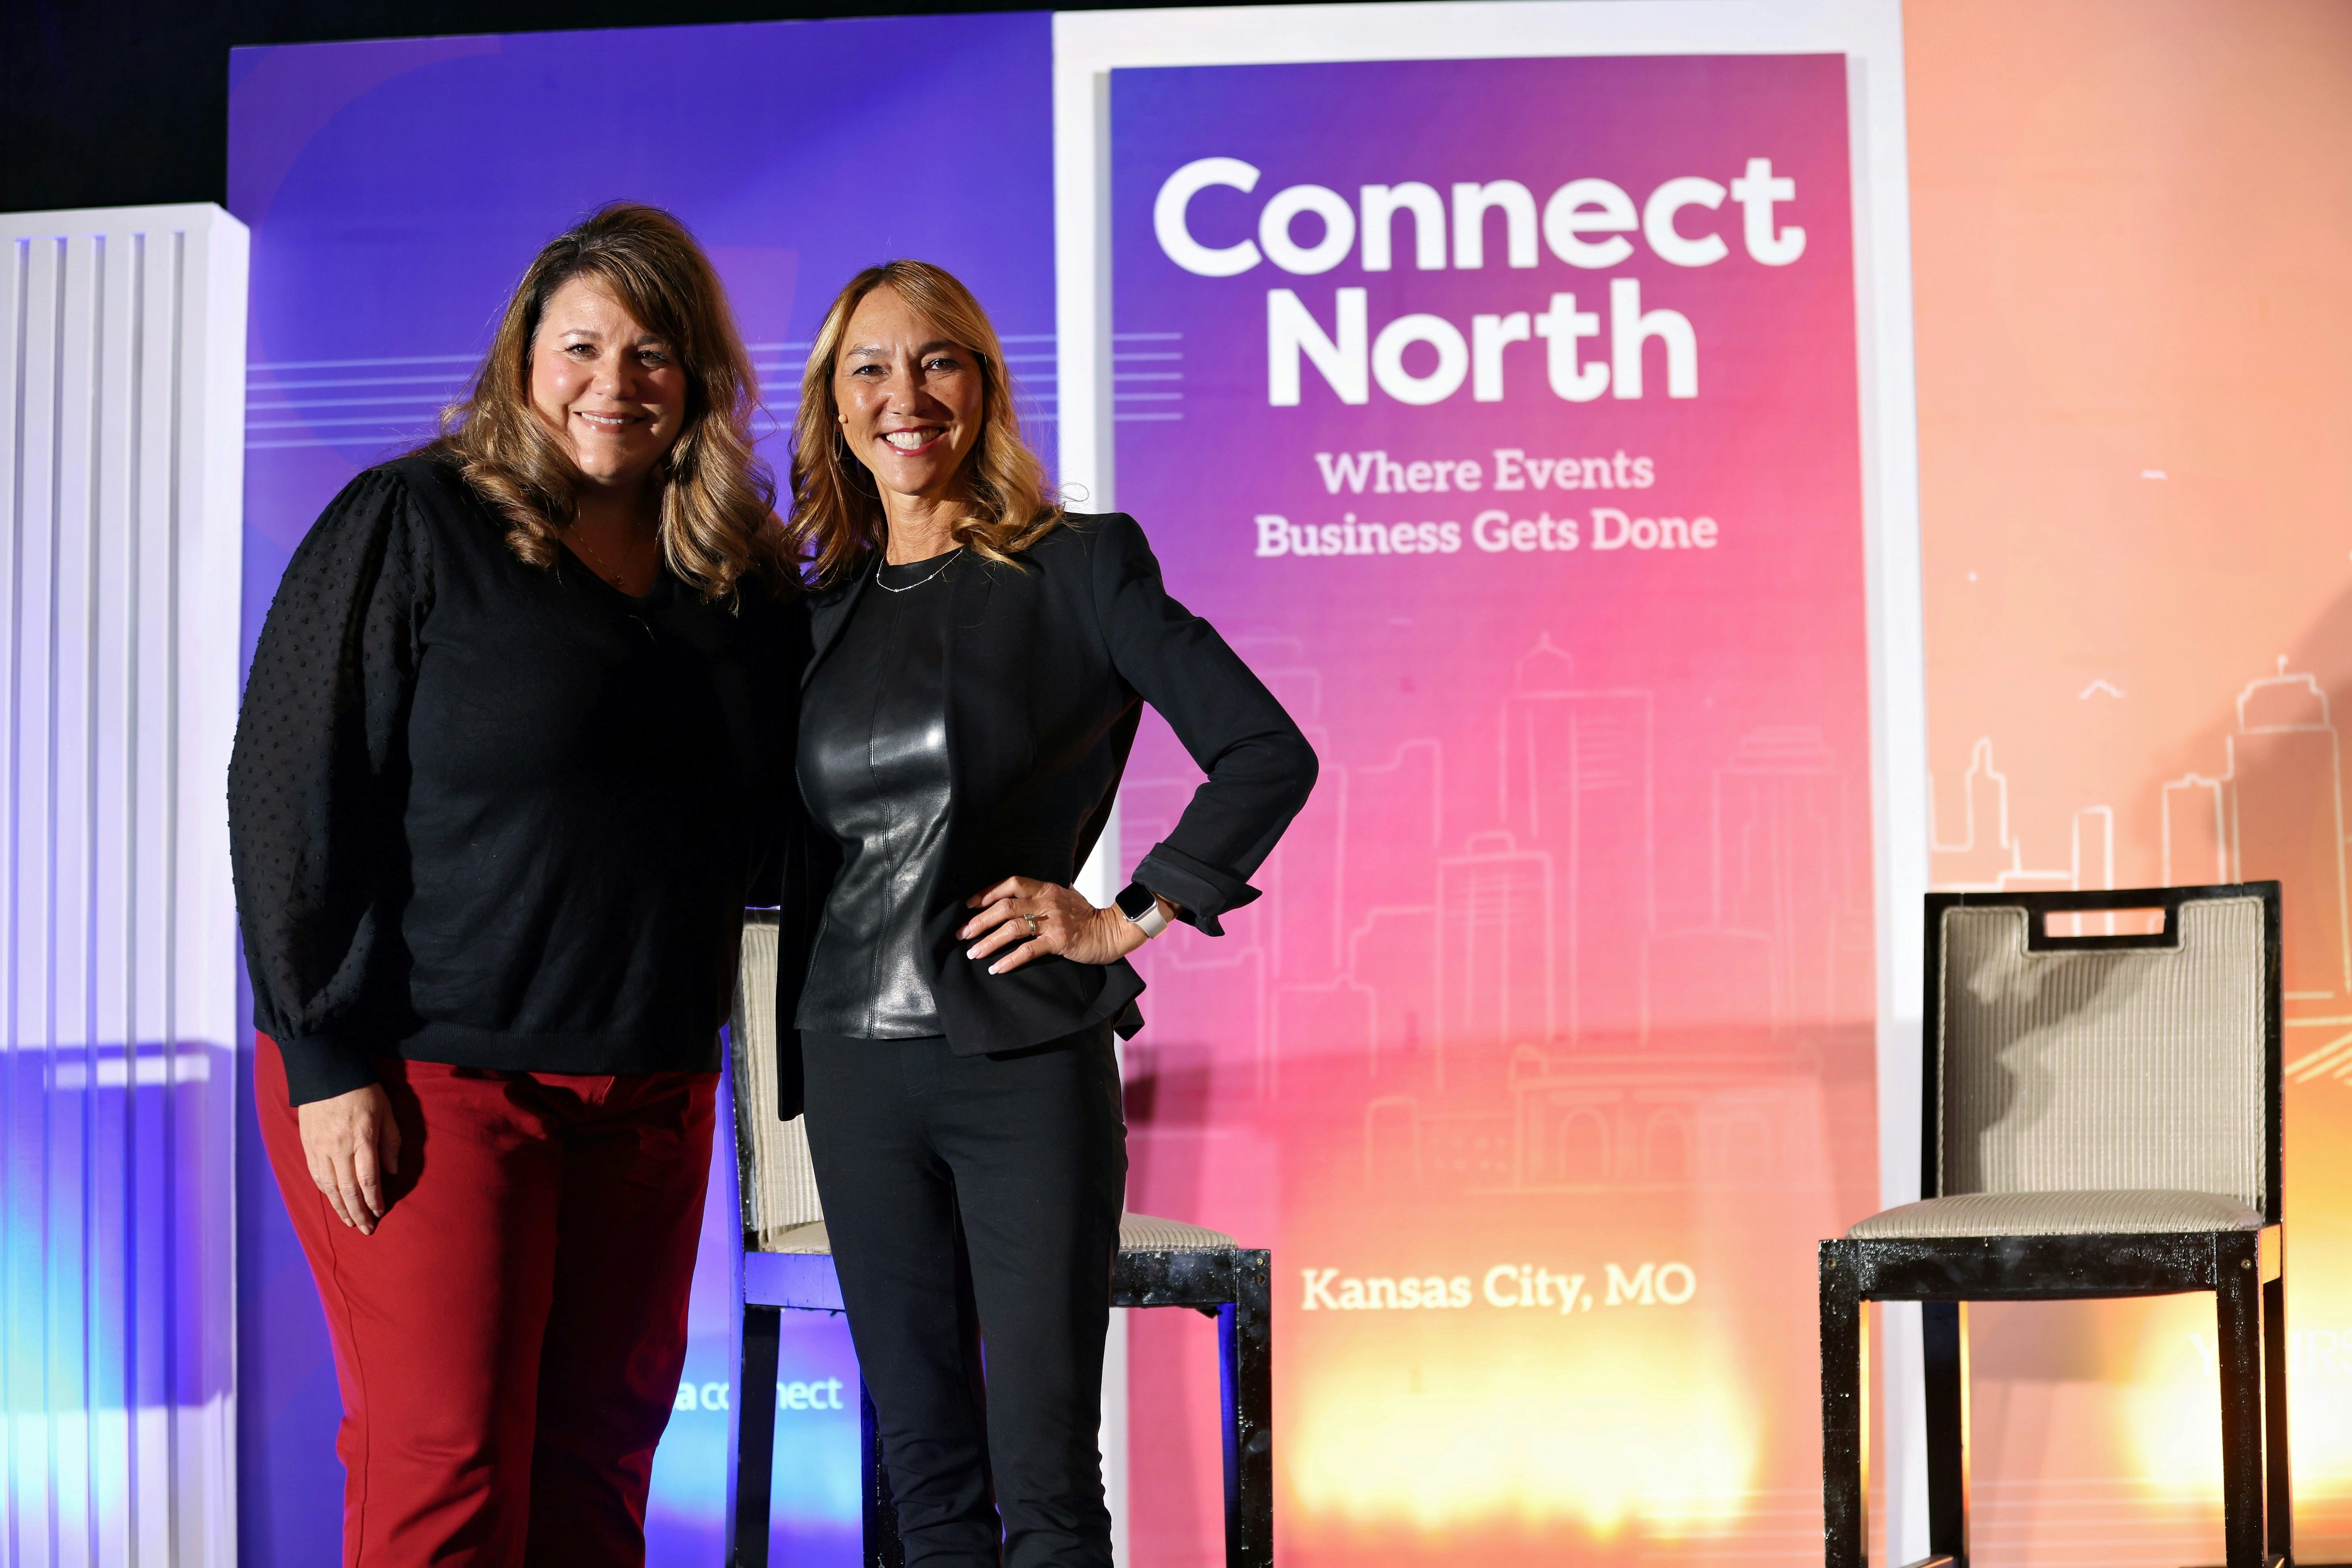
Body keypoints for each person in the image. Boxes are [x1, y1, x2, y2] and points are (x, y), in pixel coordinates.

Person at [229, 202, 795, 1567]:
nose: (617, 382)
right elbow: (290, 787)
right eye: (583, 346)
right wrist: (323, 1056)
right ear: (521, 361)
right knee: (449, 1480)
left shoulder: (735, 580)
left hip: (653, 1089)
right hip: (428, 1080)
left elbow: (784, 823)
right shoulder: (414, 523)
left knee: (596, 1484)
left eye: (654, 352)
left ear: (701, 378)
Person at [774, 259, 1317, 1568]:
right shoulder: (809, 616)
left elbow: (1264, 749)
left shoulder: (1080, 566)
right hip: (850, 1067)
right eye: (869, 369)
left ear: (984, 383)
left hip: (1017, 1065)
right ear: (834, 408)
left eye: (937, 361)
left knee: (1048, 1490)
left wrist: (1128, 914)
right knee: (927, 1487)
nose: (905, 396)